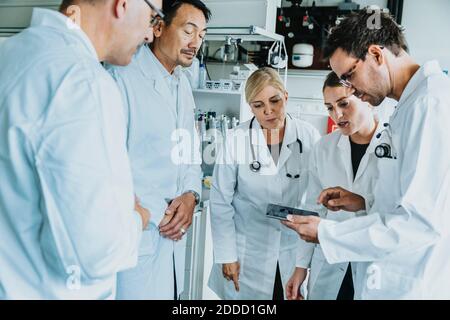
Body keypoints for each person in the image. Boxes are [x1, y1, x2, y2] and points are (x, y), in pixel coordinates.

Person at [0, 0, 161, 299]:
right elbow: (95, 252)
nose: (150, 34)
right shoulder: (83, 82)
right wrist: (137, 217)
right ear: (123, 5)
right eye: (152, 17)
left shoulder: (11, 53)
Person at [284, 10, 450, 299]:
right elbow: (407, 199)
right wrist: (363, 201)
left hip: (412, 284)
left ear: (376, 54)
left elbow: (420, 222)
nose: (351, 89)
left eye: (349, 76)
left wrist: (327, 233)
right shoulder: (411, 105)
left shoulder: (430, 105)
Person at [107, 0, 210, 300]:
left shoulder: (183, 84)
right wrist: (161, 214)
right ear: (158, 26)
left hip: (170, 242)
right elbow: (110, 166)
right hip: (138, 236)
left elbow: (189, 151)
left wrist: (191, 195)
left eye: (202, 36)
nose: (195, 43)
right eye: (189, 31)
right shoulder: (121, 77)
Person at [208, 67, 320, 300]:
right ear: (251, 107)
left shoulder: (308, 136)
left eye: (275, 101)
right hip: (246, 251)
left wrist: (304, 263)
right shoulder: (236, 139)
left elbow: (316, 201)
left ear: (286, 97)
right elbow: (220, 202)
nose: (268, 111)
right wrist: (226, 255)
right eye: (258, 105)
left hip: (291, 250)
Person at [285, 71, 391, 300]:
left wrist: (363, 203)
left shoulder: (396, 146)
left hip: (376, 265)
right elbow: (314, 209)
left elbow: (401, 212)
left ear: (366, 98)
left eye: (344, 104)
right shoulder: (324, 148)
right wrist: (301, 267)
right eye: (330, 108)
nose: (337, 115)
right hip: (331, 262)